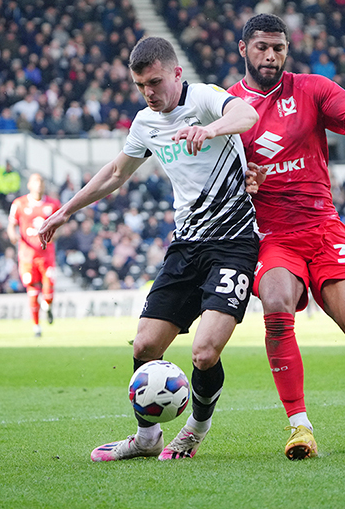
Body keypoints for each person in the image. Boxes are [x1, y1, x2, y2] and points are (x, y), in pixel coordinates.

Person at [38, 36, 260, 462]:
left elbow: (246, 113)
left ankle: (195, 429)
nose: (150, 93)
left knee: (205, 351)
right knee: (143, 347)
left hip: (233, 244)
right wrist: (66, 210)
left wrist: (209, 128)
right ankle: (146, 437)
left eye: (155, 82)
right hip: (186, 246)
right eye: (142, 86)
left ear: (177, 73)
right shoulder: (145, 122)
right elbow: (116, 172)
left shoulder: (206, 98)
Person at [227, 14, 345, 459]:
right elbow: (211, 175)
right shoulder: (226, 105)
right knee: (274, 301)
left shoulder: (312, 88)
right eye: (262, 47)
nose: (271, 56)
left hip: (323, 227)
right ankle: (299, 426)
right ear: (243, 49)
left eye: (279, 48)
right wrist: (241, 179)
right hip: (273, 234)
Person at [7, 173, 61, 337]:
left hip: (47, 254)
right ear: (29, 184)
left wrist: (56, 234)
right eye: (36, 181)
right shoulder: (19, 203)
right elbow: (11, 225)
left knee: (48, 287)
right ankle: (36, 326)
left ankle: (48, 305)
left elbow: (61, 225)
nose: (39, 184)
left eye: (41, 181)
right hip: (27, 255)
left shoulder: (53, 204)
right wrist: (12, 235)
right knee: (32, 289)